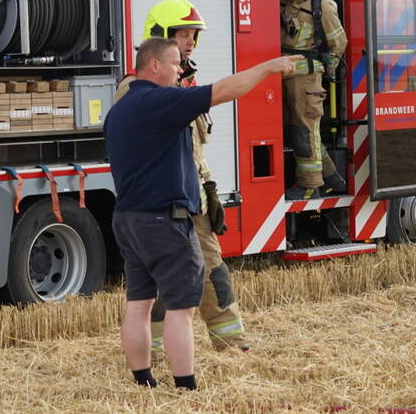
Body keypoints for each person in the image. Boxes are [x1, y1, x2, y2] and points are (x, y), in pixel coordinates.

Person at [105, 37, 294, 389]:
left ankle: (143, 379)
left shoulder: (120, 109)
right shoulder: (160, 101)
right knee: (181, 308)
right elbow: (223, 91)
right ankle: (186, 384)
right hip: (165, 220)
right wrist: (268, 67)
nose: (181, 70)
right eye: (176, 63)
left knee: (139, 303)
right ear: (154, 66)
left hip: (127, 218)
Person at [114, 0, 249, 354]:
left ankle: (233, 346)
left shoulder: (182, 88)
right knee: (162, 283)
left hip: (192, 201)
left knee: (213, 273)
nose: (189, 41)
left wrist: (209, 189)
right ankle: (154, 353)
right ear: (158, 38)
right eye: (182, 34)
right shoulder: (136, 91)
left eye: (192, 35)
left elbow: (193, 152)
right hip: (161, 205)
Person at [281, 0, 348, 200]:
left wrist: (326, 66)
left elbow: (339, 42)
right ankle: (331, 178)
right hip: (285, 76)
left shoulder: (323, 6)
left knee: (304, 131)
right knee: (302, 131)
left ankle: (310, 185)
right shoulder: (284, 1)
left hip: (307, 80)